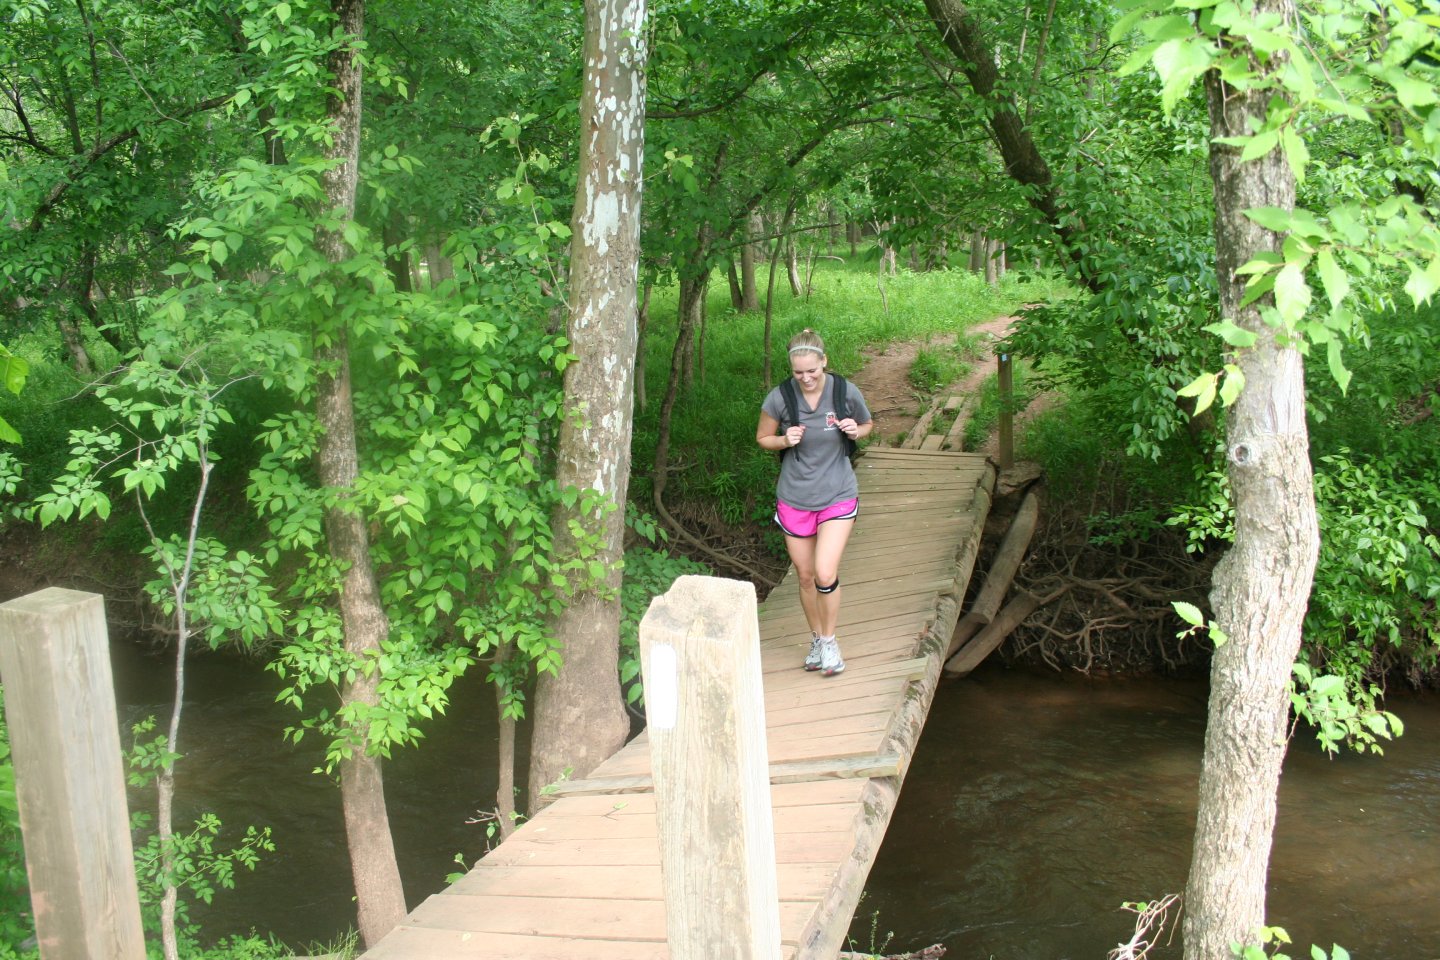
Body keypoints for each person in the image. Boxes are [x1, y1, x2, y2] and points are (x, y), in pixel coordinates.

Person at [755, 329, 874, 676]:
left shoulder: (843, 391)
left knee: (824, 572)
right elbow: (763, 438)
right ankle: (817, 640)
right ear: (791, 369)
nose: (806, 378)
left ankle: (831, 641)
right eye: (798, 372)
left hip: (837, 493)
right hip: (794, 497)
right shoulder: (779, 398)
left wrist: (855, 430)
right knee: (806, 577)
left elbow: (868, 424)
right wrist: (783, 440)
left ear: (824, 362)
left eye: (812, 371)